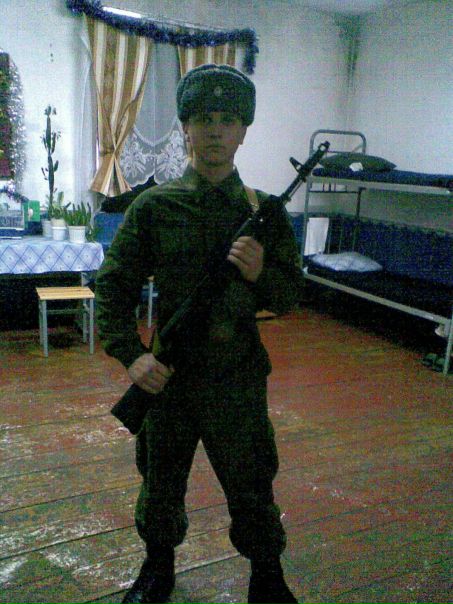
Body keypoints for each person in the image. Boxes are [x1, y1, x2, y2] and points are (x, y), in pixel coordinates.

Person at [95, 64, 302, 604]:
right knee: (161, 481)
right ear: (185, 128)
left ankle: (267, 574)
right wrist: (131, 355)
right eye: (204, 119)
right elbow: (113, 286)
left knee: (252, 482)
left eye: (228, 120)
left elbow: (290, 296)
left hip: (237, 377)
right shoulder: (155, 206)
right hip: (170, 378)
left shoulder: (263, 212)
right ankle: (157, 568)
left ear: (243, 131)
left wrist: (261, 273)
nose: (215, 131)